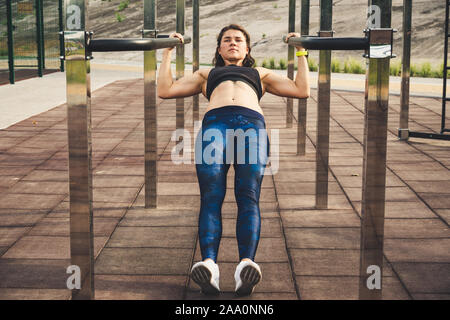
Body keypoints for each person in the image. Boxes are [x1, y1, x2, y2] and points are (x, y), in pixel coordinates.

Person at [157, 24, 310, 296]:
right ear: (219, 49)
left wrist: (300, 51)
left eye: (238, 40)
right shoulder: (207, 73)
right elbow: (165, 90)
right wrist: (167, 52)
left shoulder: (260, 74)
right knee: (211, 196)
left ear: (247, 48)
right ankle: (209, 266)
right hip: (215, 126)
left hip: (252, 127)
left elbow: (302, 90)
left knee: (248, 196)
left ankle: (245, 267)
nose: (232, 43)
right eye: (226, 40)